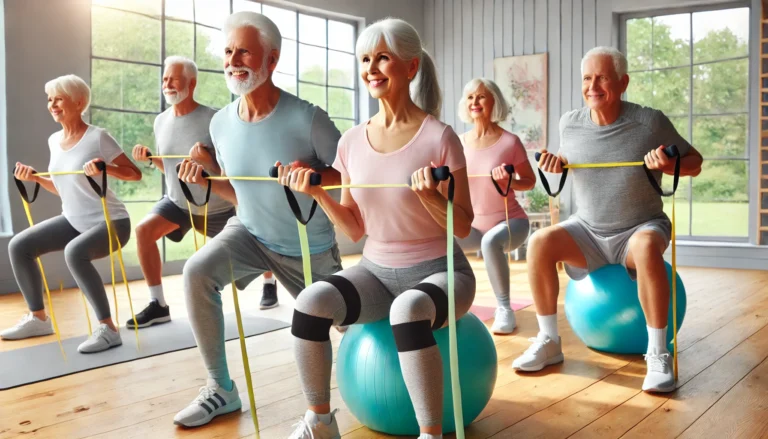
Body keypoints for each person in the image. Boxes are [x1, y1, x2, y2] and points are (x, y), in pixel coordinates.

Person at [284, 18, 476, 439]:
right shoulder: (351, 141)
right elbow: (354, 228)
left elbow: (463, 225)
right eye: (365, 59)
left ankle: (431, 434)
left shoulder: (441, 137)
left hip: (441, 271)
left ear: (410, 68)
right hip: (374, 272)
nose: (371, 68)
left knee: (407, 309)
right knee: (310, 302)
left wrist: (431, 198)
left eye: (382, 58)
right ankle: (319, 422)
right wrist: (319, 195)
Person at [172, 11, 343, 428]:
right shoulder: (219, 123)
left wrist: (314, 177)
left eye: (244, 51)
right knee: (196, 272)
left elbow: (352, 177)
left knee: (352, 327)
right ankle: (221, 388)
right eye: (228, 51)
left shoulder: (309, 117)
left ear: (271, 59)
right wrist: (210, 179)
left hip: (308, 245)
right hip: (249, 231)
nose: (233, 60)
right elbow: (237, 191)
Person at [513, 46, 703, 393]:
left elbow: (695, 162)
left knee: (646, 246)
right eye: (587, 78)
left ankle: (658, 354)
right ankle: (549, 341)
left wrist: (667, 164)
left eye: (602, 77)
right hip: (587, 230)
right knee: (539, 242)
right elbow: (568, 160)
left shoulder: (650, 122)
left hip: (639, 228)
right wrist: (555, 165)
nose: (593, 85)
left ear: (623, 81)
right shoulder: (569, 123)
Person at [1, 74, 142, 354]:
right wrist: (37, 179)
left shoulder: (98, 137)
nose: (52, 104)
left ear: (79, 102)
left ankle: (108, 329)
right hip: (74, 221)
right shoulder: (54, 140)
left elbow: (135, 174)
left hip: (111, 222)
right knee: (20, 245)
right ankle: (39, 319)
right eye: (50, 99)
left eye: (59, 98)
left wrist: (106, 168)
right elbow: (66, 189)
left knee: (74, 253)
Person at [128, 56, 237, 329]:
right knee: (143, 231)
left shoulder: (215, 119)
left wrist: (208, 162)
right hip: (178, 205)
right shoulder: (160, 121)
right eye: (165, 79)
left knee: (258, 242)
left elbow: (229, 173)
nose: (167, 84)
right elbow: (168, 166)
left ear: (192, 83)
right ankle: (158, 305)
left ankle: (269, 284)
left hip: (218, 208)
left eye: (173, 79)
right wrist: (149, 158)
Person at [456, 78, 536, 334]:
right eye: (470, 97)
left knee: (491, 242)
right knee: (440, 239)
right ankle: (453, 302)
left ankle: (504, 309)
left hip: (511, 222)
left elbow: (530, 181)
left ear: (494, 102)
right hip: (474, 226)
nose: (475, 102)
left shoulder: (509, 142)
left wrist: (510, 180)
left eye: (481, 97)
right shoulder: (458, 143)